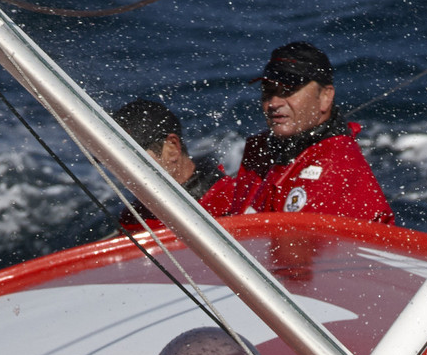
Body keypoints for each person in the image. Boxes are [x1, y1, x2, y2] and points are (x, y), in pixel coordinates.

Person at [199, 43, 394, 223]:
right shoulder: (262, 152)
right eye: (268, 92)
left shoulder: (338, 168)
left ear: (325, 97)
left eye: (288, 91)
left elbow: (295, 254)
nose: (274, 103)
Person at [111, 98, 217, 197]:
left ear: (172, 148)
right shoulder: (136, 213)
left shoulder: (230, 200)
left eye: (132, 154)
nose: (123, 168)